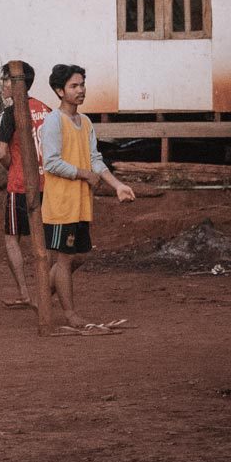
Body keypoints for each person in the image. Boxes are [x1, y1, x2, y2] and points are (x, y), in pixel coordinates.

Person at [41, 63, 135, 334]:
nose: (81, 90)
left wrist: (117, 185)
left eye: (82, 84)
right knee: (65, 259)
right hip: (60, 204)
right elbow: (52, 163)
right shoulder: (53, 122)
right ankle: (70, 314)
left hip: (81, 203)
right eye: (74, 86)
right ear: (60, 91)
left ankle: (41, 296)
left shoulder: (86, 122)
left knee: (79, 255)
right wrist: (84, 174)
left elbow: (95, 159)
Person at [0, 61, 52, 310]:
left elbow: (1, 152)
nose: (4, 85)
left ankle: (25, 293)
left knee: (12, 238)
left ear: (18, 84)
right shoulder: (46, 109)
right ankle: (45, 292)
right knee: (46, 241)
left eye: (7, 80)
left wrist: (13, 168)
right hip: (47, 184)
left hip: (20, 184)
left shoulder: (10, 113)